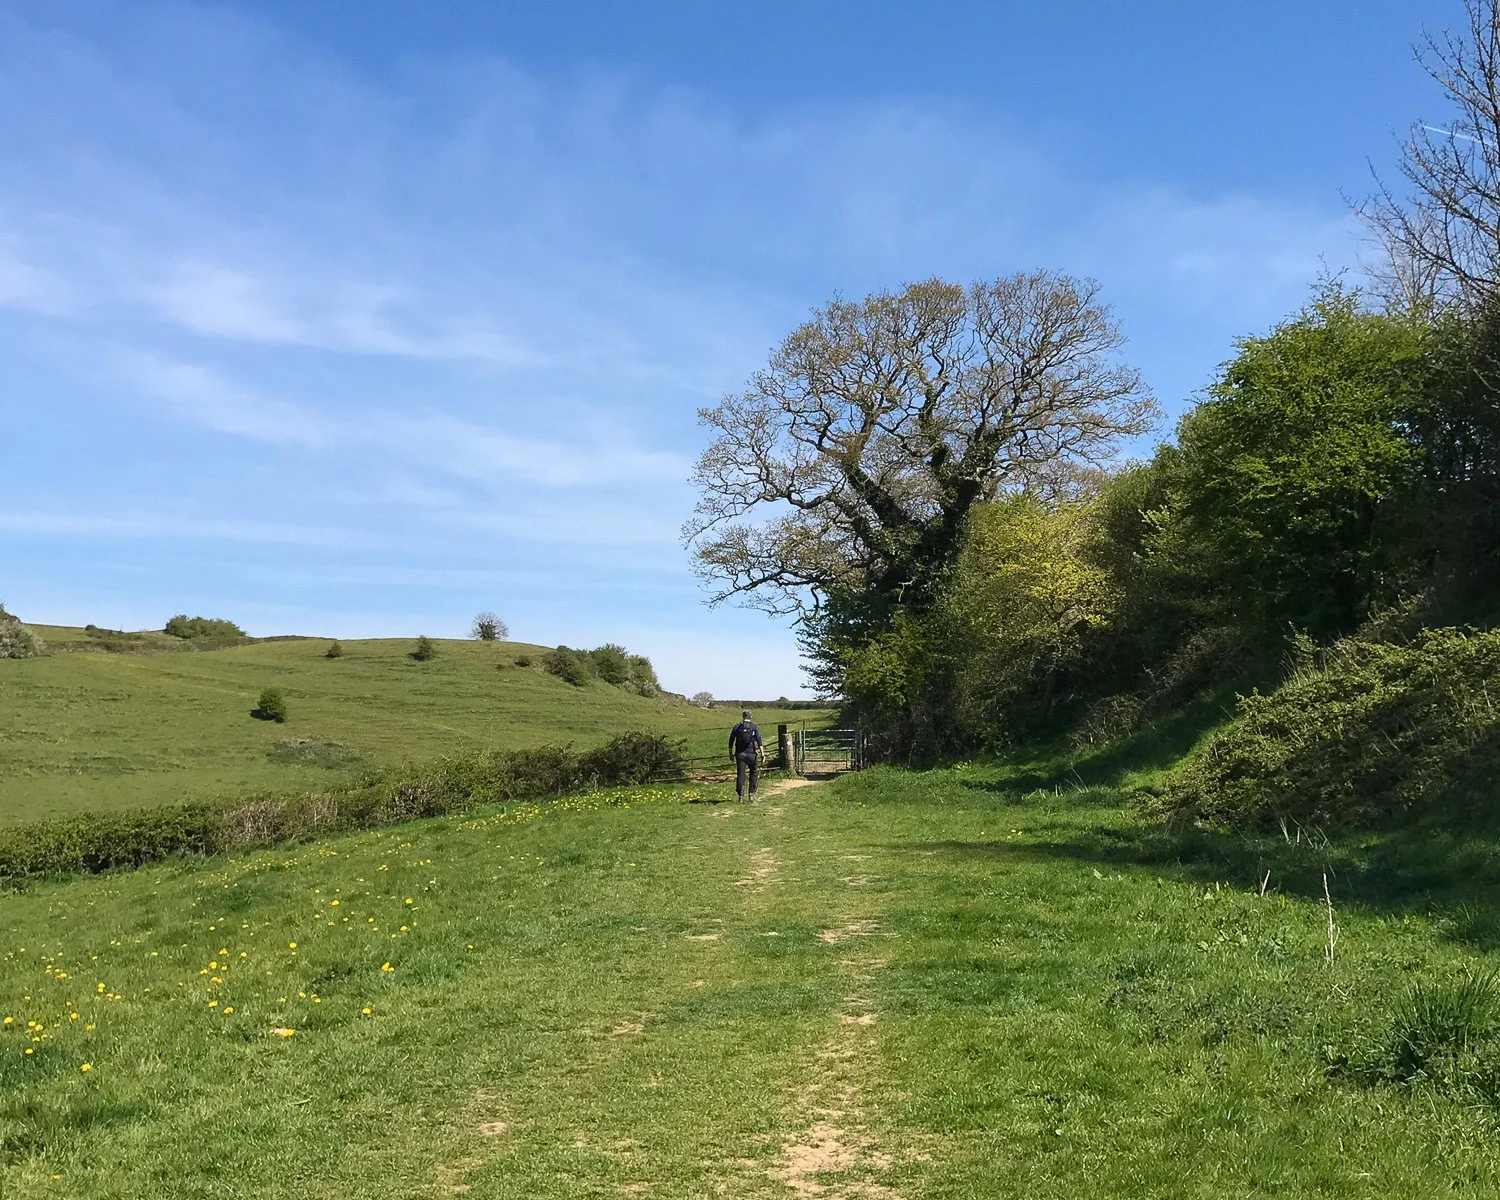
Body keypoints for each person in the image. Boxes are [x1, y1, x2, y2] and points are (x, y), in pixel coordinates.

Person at [728, 709, 763, 802]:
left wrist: (730, 753)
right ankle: (751, 794)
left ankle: (741, 796)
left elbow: (731, 740)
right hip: (751, 753)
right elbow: (759, 740)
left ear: (743, 716)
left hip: (740, 754)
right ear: (750, 716)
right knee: (754, 772)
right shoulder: (754, 727)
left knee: (741, 774)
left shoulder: (737, 726)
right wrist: (762, 753)